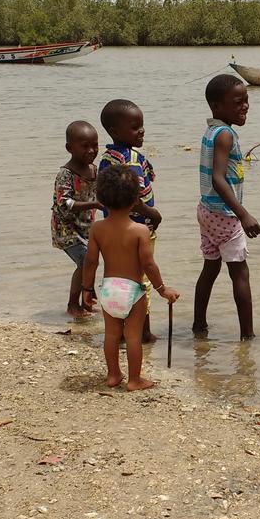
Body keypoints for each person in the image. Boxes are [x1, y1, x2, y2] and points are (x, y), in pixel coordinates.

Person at [82, 165, 179, 392]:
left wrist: (87, 289)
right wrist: (162, 289)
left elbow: (91, 262)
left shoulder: (97, 229)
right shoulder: (140, 231)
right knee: (133, 336)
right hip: (133, 291)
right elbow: (148, 264)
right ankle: (134, 379)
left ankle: (113, 374)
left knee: (111, 334)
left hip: (108, 289)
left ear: (101, 199)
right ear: (136, 199)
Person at [193, 74, 260, 340]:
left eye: (246, 100)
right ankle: (248, 336)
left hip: (206, 210)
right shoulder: (225, 135)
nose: (244, 106)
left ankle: (199, 326)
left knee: (210, 269)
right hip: (224, 214)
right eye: (237, 102)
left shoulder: (211, 131)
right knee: (240, 273)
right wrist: (243, 214)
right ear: (216, 107)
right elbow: (218, 178)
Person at [96, 99, 160, 343]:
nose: (141, 131)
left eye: (141, 125)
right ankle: (142, 332)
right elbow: (135, 197)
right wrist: (154, 214)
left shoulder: (108, 157)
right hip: (137, 228)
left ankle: (119, 328)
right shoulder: (131, 159)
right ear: (115, 131)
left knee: (119, 276)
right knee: (141, 277)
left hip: (114, 227)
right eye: (135, 127)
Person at [51, 120, 102, 317]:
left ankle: (86, 302)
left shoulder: (94, 170)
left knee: (92, 261)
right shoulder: (66, 174)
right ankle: (73, 304)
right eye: (85, 146)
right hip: (66, 228)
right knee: (85, 261)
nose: (91, 150)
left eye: (95, 145)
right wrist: (95, 204)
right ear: (69, 148)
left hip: (87, 228)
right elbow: (64, 203)